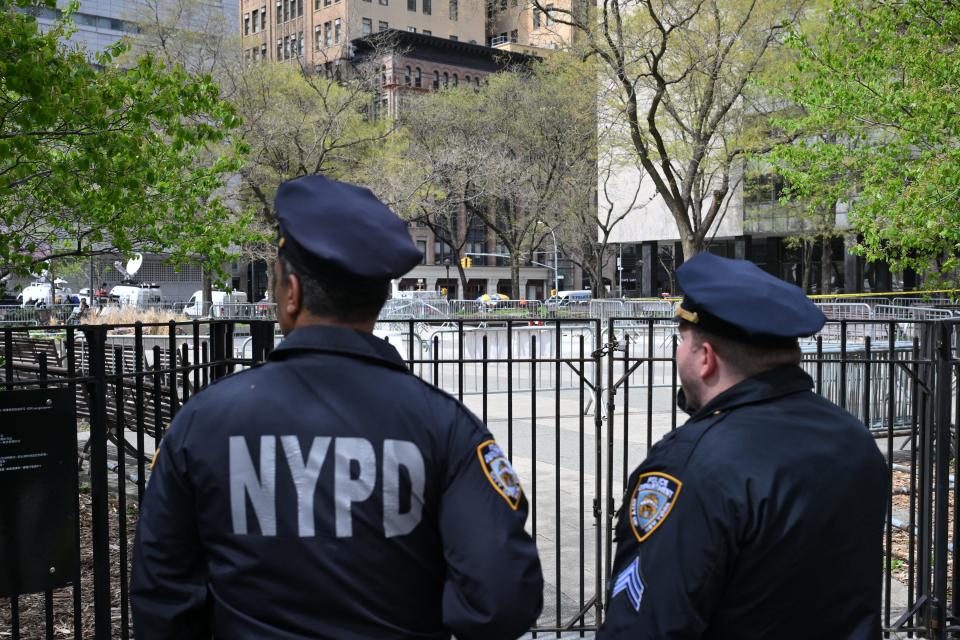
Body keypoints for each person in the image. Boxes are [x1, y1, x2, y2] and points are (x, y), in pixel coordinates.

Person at [131, 175, 543, 640]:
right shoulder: (446, 428)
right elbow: (504, 598)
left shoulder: (202, 424)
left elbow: (160, 595)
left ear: (291, 294)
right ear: (383, 296)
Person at [599, 252, 887, 639]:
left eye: (681, 341)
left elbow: (646, 627)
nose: (678, 352)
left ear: (705, 358)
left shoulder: (691, 468)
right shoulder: (852, 438)